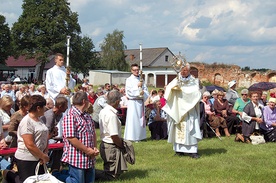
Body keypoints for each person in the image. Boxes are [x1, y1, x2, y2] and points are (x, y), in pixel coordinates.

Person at [162, 61, 202, 159]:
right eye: (182, 70)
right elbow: (167, 91)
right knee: (178, 129)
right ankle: (179, 150)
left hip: (188, 109)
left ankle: (192, 151)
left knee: (189, 129)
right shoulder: (176, 80)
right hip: (178, 109)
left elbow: (196, 93)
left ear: (189, 71)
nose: (183, 72)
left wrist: (182, 92)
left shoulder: (193, 81)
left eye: (185, 70)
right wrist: (171, 90)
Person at [8, 95, 49, 182]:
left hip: (39, 157)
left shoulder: (39, 120)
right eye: (43, 107)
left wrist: (44, 152)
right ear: (38, 108)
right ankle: (9, 175)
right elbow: (29, 144)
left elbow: (44, 136)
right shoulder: (27, 122)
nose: (45, 109)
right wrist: (43, 156)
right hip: (27, 159)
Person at [61, 91, 99, 183]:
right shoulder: (70, 116)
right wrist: (87, 150)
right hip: (77, 157)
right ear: (84, 101)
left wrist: (94, 148)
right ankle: (57, 176)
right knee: (76, 181)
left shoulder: (87, 116)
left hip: (89, 157)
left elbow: (92, 133)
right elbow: (71, 137)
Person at [98, 90, 135, 181]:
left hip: (105, 144)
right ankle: (90, 173)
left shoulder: (104, 111)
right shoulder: (111, 115)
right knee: (112, 176)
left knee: (112, 170)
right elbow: (114, 136)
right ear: (117, 101)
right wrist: (122, 145)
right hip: (111, 146)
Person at [124, 63, 149, 142]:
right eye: (134, 70)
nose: (136, 71)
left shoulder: (141, 79)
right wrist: (137, 87)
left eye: (137, 70)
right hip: (133, 102)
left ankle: (140, 136)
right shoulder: (129, 80)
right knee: (133, 120)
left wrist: (143, 93)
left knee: (140, 119)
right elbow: (128, 91)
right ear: (131, 71)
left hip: (140, 102)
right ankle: (132, 137)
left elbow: (146, 91)